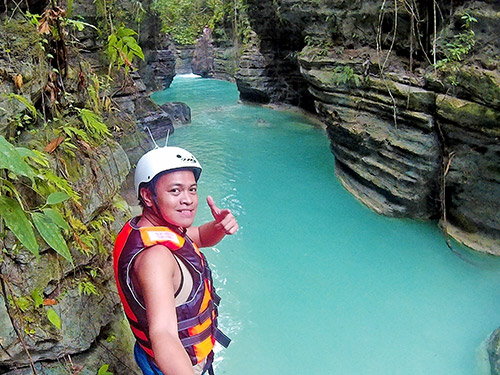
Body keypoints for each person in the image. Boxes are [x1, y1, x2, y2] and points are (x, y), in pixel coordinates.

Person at [113, 146, 238, 375]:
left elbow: (198, 237)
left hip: (151, 356)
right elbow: (164, 333)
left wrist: (218, 228)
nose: (188, 200)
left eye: (192, 190)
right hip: (177, 365)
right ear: (148, 196)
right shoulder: (156, 260)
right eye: (175, 191)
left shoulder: (152, 229)